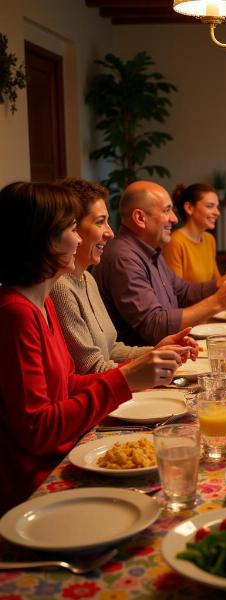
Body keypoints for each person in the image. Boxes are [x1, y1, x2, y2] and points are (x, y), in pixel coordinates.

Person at [0, 182, 187, 514]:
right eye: (72, 228)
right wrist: (126, 380)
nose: (79, 239)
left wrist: (137, 371)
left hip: (62, 460)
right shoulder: (15, 314)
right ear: (42, 239)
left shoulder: (41, 304)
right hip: (34, 490)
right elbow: (37, 430)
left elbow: (68, 385)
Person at [51, 178, 198, 374]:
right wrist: (149, 364)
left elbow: (111, 350)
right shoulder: (60, 287)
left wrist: (158, 351)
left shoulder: (87, 278)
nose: (110, 233)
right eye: (100, 222)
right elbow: (92, 370)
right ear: (72, 228)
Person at [94, 181, 226, 346]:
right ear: (140, 218)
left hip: (169, 354)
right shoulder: (124, 258)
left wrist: (221, 283)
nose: (175, 219)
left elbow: (183, 292)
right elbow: (155, 327)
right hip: (145, 363)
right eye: (166, 210)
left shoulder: (149, 249)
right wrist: (218, 302)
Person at [163, 183, 226, 283]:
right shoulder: (175, 242)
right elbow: (175, 293)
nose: (217, 213)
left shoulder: (209, 239)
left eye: (217, 207)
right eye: (210, 206)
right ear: (189, 208)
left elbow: (216, 282)